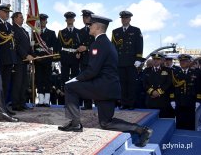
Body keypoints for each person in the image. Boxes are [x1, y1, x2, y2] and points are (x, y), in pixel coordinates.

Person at [58, 14, 152, 147]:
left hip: (101, 87)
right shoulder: (107, 43)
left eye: (91, 25)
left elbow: (92, 71)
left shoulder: (98, 43)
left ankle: (75, 123)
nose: (89, 26)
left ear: (97, 27)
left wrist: (74, 79)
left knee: (70, 87)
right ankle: (141, 130)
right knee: (106, 123)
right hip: (110, 88)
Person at [112, 10, 143, 110]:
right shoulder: (115, 32)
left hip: (132, 62)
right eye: (122, 18)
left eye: (126, 18)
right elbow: (113, 48)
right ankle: (123, 103)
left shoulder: (136, 30)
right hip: (120, 62)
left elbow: (139, 45)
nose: (124, 20)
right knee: (122, 83)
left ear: (130, 19)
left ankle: (131, 104)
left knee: (131, 83)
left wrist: (138, 58)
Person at [0, 3, 17, 115]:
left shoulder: (9, 25)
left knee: (5, 84)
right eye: (5, 12)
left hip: (8, 59)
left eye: (8, 12)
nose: (7, 14)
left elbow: (12, 43)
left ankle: (3, 107)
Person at [11, 12, 34, 111]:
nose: (23, 19)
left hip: (25, 61)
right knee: (18, 83)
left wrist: (32, 55)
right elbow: (17, 45)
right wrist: (25, 55)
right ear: (15, 18)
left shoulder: (24, 30)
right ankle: (16, 104)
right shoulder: (13, 29)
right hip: (18, 60)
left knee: (24, 83)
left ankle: (22, 103)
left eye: (22, 17)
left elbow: (28, 46)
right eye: (20, 17)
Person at [171, 54, 201, 130]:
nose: (182, 62)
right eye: (181, 61)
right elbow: (172, 88)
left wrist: (198, 100)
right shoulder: (175, 72)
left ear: (189, 62)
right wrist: (172, 100)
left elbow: (199, 87)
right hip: (179, 101)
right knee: (179, 123)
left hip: (191, 101)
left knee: (190, 123)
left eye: (185, 61)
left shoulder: (196, 73)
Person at [34, 13, 58, 107]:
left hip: (47, 59)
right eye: (41, 20)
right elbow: (33, 48)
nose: (42, 22)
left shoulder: (51, 33)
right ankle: (40, 101)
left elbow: (55, 46)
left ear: (46, 21)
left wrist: (51, 55)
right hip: (38, 60)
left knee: (47, 80)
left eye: (44, 20)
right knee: (39, 80)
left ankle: (46, 101)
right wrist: (35, 55)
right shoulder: (35, 33)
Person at [58, 12, 81, 103]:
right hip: (65, 57)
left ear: (74, 20)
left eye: (71, 18)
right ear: (66, 20)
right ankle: (66, 100)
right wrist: (60, 58)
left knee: (75, 78)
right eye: (68, 18)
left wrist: (79, 54)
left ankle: (75, 99)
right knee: (65, 78)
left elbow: (81, 45)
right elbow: (58, 46)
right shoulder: (61, 32)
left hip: (75, 57)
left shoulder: (78, 32)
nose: (70, 20)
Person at [143, 52, 174, 118]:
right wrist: (152, 92)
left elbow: (168, 83)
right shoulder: (146, 70)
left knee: (162, 121)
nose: (155, 61)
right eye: (154, 59)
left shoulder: (167, 70)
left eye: (158, 59)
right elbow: (144, 84)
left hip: (163, 101)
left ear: (161, 60)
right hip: (150, 100)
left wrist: (158, 92)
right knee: (150, 120)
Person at [78, 9, 95, 110]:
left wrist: (87, 48)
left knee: (95, 82)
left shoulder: (95, 29)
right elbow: (77, 44)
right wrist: (78, 52)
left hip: (93, 59)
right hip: (83, 60)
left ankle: (98, 104)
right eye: (84, 17)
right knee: (85, 82)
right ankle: (87, 104)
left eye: (87, 17)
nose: (85, 19)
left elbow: (97, 43)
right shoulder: (80, 31)